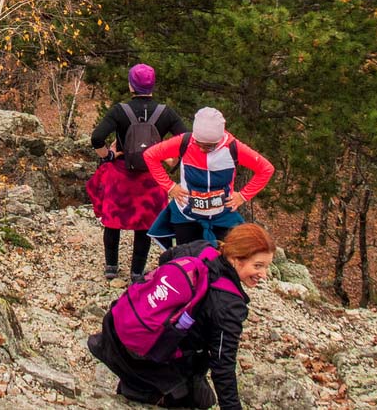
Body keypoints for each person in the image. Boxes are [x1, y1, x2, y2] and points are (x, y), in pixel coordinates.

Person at [87, 223, 275, 409]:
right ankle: (143, 389)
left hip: (116, 325)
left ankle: (134, 378)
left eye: (266, 266)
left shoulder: (202, 248)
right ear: (236, 258)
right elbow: (222, 365)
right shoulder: (229, 305)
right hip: (145, 356)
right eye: (258, 265)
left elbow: (165, 258)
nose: (263, 274)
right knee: (202, 401)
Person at [87, 64, 186, 283]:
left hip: (121, 175)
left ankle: (111, 268)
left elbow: (96, 138)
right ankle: (137, 273)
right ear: (153, 85)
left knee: (112, 221)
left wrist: (109, 156)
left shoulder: (119, 111)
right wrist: (170, 160)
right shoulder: (165, 112)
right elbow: (185, 139)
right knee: (145, 225)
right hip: (151, 178)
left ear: (131, 85)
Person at [144, 107, 274, 245]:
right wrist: (170, 186)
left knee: (224, 261)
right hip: (186, 215)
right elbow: (150, 155)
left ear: (220, 138)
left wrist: (243, 196)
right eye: (198, 143)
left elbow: (266, 169)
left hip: (222, 217)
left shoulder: (233, 148)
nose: (202, 149)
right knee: (187, 260)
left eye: (209, 147)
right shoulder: (185, 142)